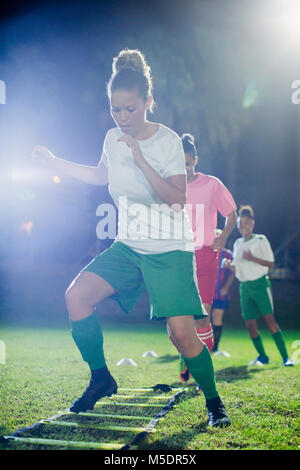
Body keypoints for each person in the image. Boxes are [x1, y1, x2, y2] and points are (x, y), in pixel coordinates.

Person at [32, 49, 231, 427]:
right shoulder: (111, 138)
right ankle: (101, 378)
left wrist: (141, 159)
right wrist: (54, 161)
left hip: (170, 249)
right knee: (76, 296)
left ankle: (214, 400)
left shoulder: (168, 142)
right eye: (115, 110)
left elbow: (177, 198)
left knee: (183, 336)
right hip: (128, 246)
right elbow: (98, 176)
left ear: (148, 102)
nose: (122, 118)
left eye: (130, 110)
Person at [167, 133, 237, 382]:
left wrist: (224, 236)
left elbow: (231, 214)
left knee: (202, 316)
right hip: (177, 257)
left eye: (187, 163)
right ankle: (188, 355)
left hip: (206, 255)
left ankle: (203, 374)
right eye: (178, 164)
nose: (183, 169)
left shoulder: (211, 184)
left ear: (195, 160)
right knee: (173, 327)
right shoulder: (168, 186)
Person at [223, 205, 294, 367]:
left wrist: (252, 258)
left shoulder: (261, 240)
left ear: (253, 224)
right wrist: (229, 265)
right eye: (240, 223)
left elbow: (271, 263)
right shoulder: (237, 243)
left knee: (269, 320)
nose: (243, 226)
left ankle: (285, 358)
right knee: (250, 324)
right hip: (244, 287)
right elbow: (238, 268)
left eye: (246, 223)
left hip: (261, 284)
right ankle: (262, 356)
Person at [211, 236, 235, 356]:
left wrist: (226, 287)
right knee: (202, 318)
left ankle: (215, 347)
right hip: (206, 291)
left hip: (220, 292)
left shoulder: (227, 254)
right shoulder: (207, 252)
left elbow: (234, 271)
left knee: (217, 317)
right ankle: (202, 344)